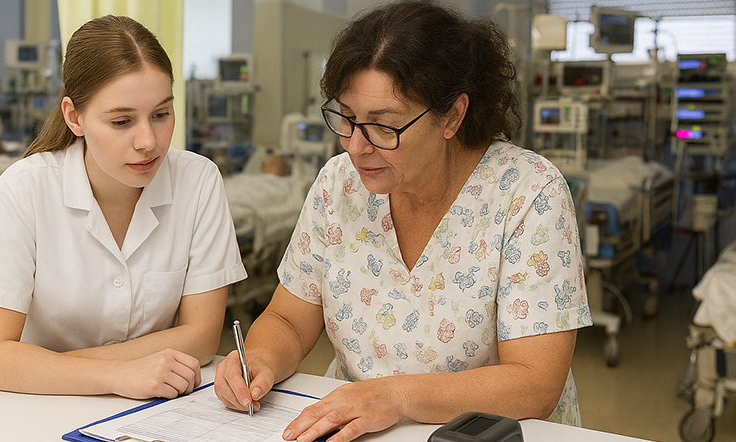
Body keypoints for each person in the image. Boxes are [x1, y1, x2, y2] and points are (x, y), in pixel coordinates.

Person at [214, 3, 592, 441]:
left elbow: (534, 382)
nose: (356, 146)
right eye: (347, 118)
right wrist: (259, 359)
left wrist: (398, 396)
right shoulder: (339, 185)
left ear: (452, 115)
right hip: (360, 428)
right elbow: (289, 319)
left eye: (382, 126)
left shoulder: (527, 193)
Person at [0, 15, 247, 398]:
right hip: (36, 406)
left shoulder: (199, 181)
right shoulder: (24, 189)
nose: (148, 141)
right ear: (74, 117)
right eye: (122, 121)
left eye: (161, 115)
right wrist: (121, 374)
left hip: (153, 408)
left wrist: (56, 366)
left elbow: (202, 336)